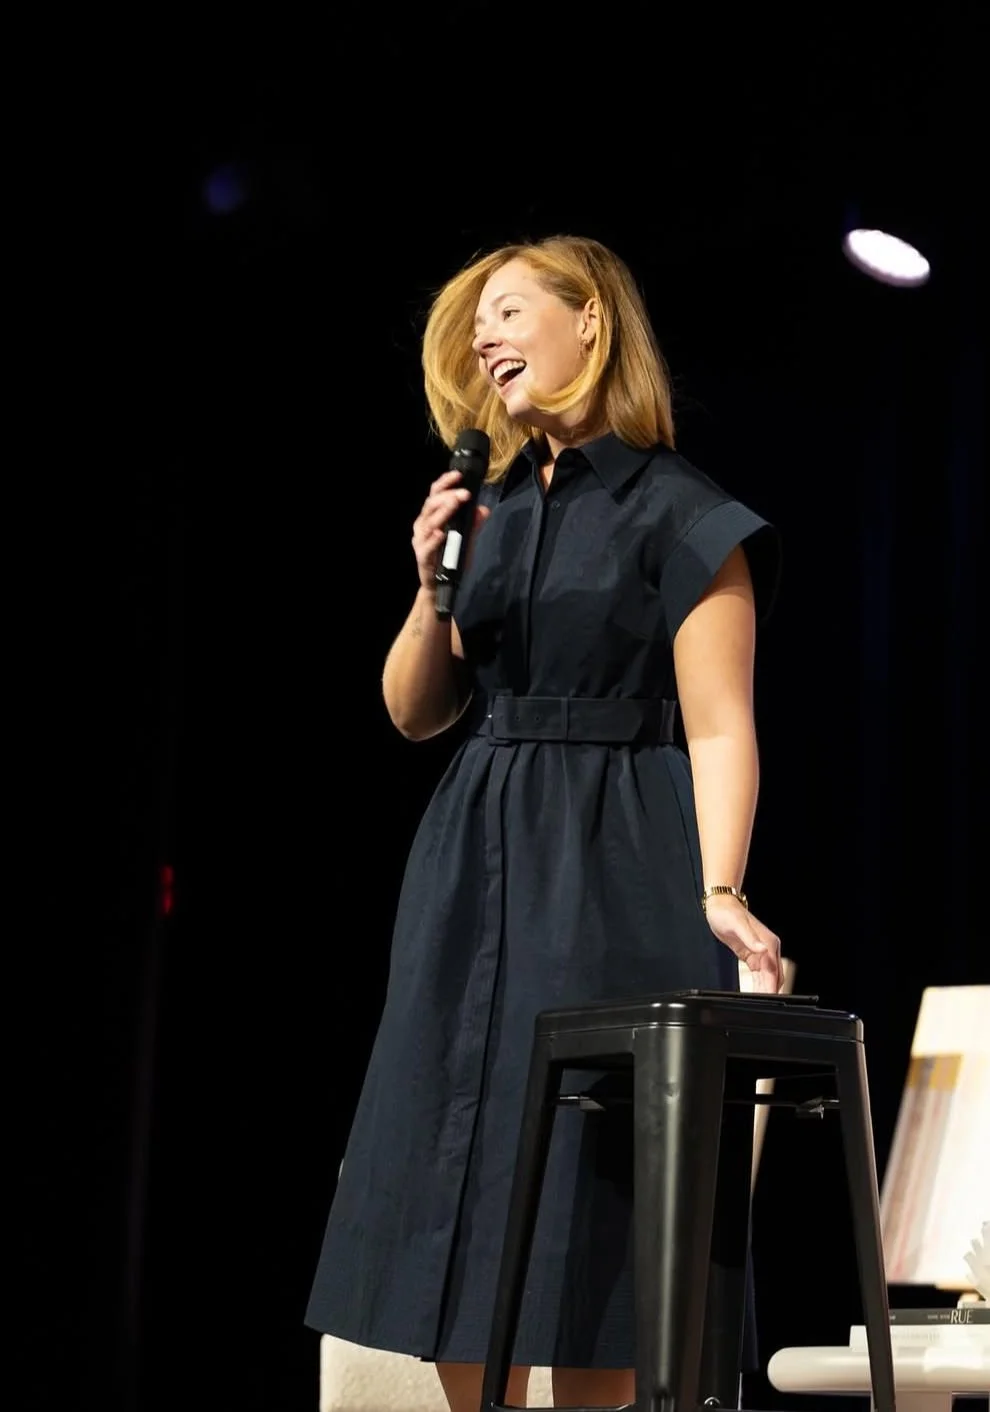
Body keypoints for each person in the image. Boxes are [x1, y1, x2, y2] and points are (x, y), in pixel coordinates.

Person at [305, 234, 783, 1411]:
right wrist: (428, 588)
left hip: (613, 848)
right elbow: (417, 711)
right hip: (474, 847)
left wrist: (719, 891)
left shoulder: (681, 510)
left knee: (587, 1176)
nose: (486, 336)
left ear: (591, 326)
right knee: (450, 1149)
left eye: (511, 309)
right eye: (476, 322)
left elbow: (721, 724)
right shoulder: (488, 507)